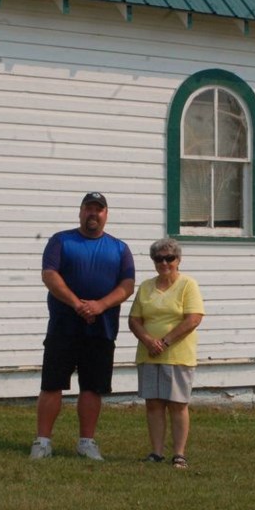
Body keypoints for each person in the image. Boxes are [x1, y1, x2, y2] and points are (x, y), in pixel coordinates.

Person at [30, 192, 135, 461]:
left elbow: (127, 286)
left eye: (98, 210)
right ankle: (42, 442)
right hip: (64, 326)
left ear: (106, 214)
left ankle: (86, 442)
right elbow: (50, 275)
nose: (93, 214)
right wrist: (78, 304)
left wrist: (99, 306)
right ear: (80, 212)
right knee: (52, 384)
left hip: (101, 329)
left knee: (92, 387)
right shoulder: (61, 241)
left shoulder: (120, 248)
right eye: (88, 209)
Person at [128, 238, 205, 469]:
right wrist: (149, 341)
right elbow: (134, 320)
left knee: (177, 404)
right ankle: (156, 452)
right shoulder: (145, 287)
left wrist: (165, 342)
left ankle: (179, 454)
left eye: (169, 258)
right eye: (159, 258)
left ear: (178, 260)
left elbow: (194, 318)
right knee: (153, 404)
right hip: (149, 354)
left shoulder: (188, 285)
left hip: (178, 355)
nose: (164, 263)